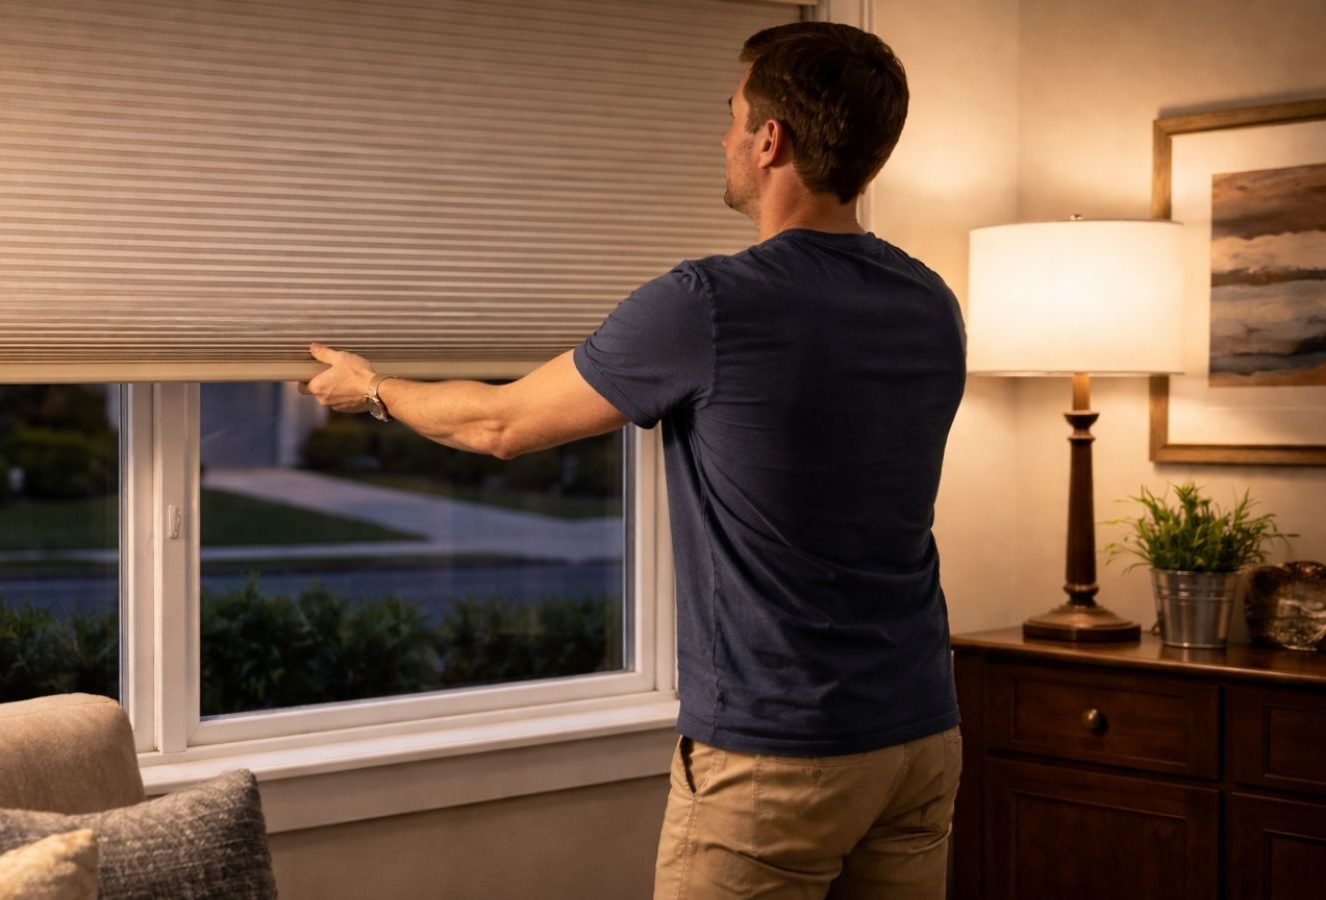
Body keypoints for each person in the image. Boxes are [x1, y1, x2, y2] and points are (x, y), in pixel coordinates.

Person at [302, 21, 965, 900]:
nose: (721, 139)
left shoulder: (711, 305)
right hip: (920, 736)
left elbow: (498, 424)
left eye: (732, 118)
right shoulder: (931, 303)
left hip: (778, 758)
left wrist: (374, 387)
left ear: (770, 141)